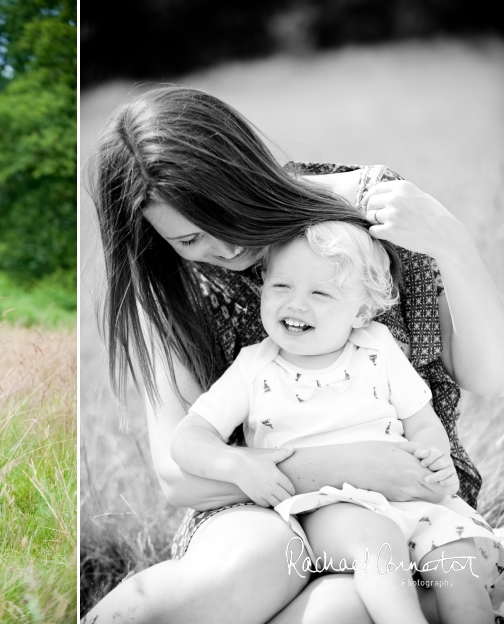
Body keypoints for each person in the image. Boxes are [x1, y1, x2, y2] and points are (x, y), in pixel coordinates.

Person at [83, 86, 504, 623]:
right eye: (189, 239)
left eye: (225, 212)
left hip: (410, 495)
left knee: (343, 608)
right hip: (255, 503)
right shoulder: (172, 289)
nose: (224, 247)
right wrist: (347, 466)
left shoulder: (358, 218)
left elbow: (487, 375)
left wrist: (452, 242)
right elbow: (177, 475)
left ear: (246, 172)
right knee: (250, 565)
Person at [171, 221, 502, 623]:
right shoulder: (253, 368)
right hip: (326, 509)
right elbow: (188, 439)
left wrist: (434, 457)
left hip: (410, 499)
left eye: (320, 293)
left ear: (361, 310)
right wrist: (237, 465)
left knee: (458, 567)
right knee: (376, 541)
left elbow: (422, 420)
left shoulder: (378, 346)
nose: (296, 304)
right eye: (281, 287)